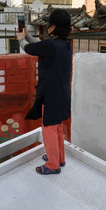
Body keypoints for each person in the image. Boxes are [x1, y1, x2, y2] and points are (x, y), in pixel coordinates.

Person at [16, 9, 72, 175]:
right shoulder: (65, 44)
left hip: (51, 97)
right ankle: (60, 158)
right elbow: (40, 45)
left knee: (48, 129)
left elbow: (30, 49)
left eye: (48, 24)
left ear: (53, 27)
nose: (46, 25)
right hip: (62, 95)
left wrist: (20, 39)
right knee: (57, 128)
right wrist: (26, 35)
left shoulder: (50, 46)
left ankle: (53, 165)